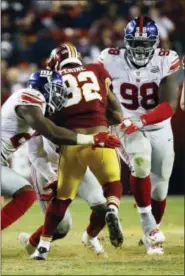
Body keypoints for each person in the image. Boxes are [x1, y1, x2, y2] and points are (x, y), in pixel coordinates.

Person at [31, 43, 124, 260]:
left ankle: (42, 247)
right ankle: (113, 207)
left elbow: (48, 124)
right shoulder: (97, 70)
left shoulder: (51, 80)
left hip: (71, 144)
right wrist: (104, 117)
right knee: (113, 183)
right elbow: (117, 113)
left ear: (55, 62)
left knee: (62, 198)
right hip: (101, 139)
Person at [98, 16, 180, 254]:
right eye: (136, 42)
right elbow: (102, 94)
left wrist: (142, 120)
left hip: (158, 125)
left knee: (160, 187)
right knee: (141, 161)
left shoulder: (166, 60)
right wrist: (118, 119)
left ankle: (152, 232)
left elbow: (170, 105)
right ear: (126, 41)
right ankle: (149, 226)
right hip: (124, 123)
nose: (141, 48)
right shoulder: (110, 58)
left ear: (155, 43)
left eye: (146, 44)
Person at [1, 69, 120, 231]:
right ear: (43, 88)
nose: (60, 96)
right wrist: (92, 139)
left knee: (26, 194)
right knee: (26, 195)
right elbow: (53, 133)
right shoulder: (29, 99)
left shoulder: (33, 107)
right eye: (56, 90)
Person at [18, 135, 107, 256]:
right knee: (62, 227)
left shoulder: (78, 117)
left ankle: (90, 238)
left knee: (103, 207)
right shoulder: (40, 118)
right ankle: (32, 242)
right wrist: (51, 177)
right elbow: (35, 153)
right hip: (48, 170)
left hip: (76, 166)